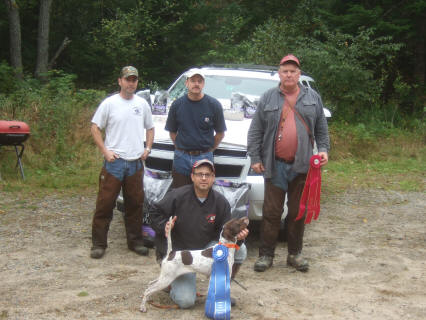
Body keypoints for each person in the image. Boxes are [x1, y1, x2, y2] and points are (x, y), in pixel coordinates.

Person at [247, 54, 330, 272]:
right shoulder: (268, 97)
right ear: (279, 73)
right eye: (285, 71)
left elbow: (321, 127)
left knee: (297, 212)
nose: (289, 74)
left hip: (303, 166)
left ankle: (294, 254)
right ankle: (266, 256)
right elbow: (256, 130)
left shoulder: (313, 97)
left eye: (293, 71)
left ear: (299, 74)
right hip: (274, 165)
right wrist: (255, 158)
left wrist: (323, 150)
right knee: (271, 213)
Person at [150, 159, 249, 309]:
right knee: (186, 301)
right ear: (192, 177)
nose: (204, 178)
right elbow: (153, 212)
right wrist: (164, 226)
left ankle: (221, 290)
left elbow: (228, 234)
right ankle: (170, 282)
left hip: (206, 249)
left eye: (207, 175)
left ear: (213, 178)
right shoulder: (177, 195)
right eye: (200, 174)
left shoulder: (221, 202)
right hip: (181, 254)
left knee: (240, 250)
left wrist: (239, 239)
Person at [90, 66, 155, 259]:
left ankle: (135, 242)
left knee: (135, 205)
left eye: (134, 80)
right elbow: (95, 128)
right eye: (127, 80)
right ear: (120, 81)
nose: (131, 83)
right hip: (114, 163)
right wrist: (105, 151)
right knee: (105, 204)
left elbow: (150, 128)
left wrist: (148, 149)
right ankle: (99, 244)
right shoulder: (109, 103)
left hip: (135, 163)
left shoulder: (142, 104)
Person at [165, 69, 226, 188]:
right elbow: (172, 131)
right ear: (186, 83)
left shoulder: (214, 105)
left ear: (203, 84)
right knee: (180, 193)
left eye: (199, 81)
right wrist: (180, 147)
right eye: (193, 81)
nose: (196, 84)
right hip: (181, 157)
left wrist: (209, 149)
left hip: (204, 157)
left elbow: (220, 133)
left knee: (202, 195)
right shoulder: (177, 105)